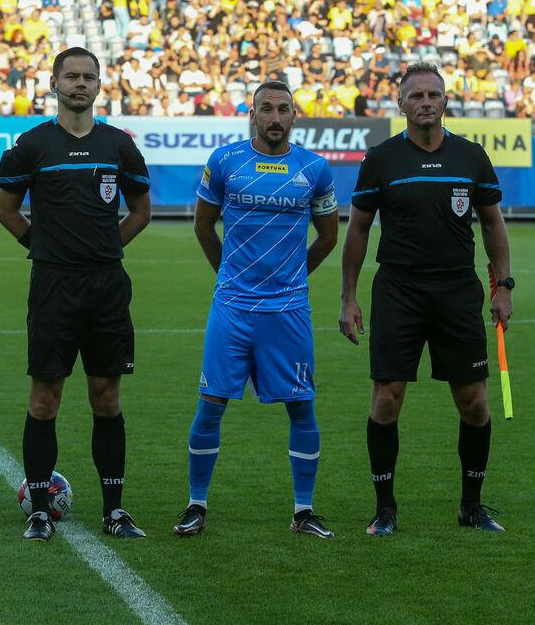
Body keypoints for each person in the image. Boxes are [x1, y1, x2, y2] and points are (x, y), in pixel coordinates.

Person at [339, 62, 513, 536]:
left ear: (445, 101)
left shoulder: (471, 156)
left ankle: (472, 506)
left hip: (458, 291)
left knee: (475, 402)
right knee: (387, 400)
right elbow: (356, 229)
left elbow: (493, 222)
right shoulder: (381, 159)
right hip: (398, 291)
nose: (425, 103)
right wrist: (349, 298)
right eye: (415, 96)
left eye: (433, 94)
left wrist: (504, 286)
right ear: (401, 104)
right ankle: (385, 508)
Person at [0, 47, 152, 542]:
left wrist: (106, 248)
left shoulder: (119, 145)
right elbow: (6, 210)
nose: (80, 84)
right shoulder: (31, 146)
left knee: (107, 397)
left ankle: (115, 511)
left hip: (106, 287)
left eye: (88, 77)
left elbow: (142, 209)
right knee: (45, 398)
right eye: (71, 76)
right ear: (54, 83)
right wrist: (43, 248)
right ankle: (39, 512)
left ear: (99, 85)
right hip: (53, 286)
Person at [173, 81, 340, 539]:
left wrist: (293, 276)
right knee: (210, 405)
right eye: (266, 108)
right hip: (232, 307)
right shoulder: (225, 162)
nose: (274, 117)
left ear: (293, 115)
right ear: (252, 113)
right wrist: (225, 273)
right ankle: (196, 505)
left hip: (287, 310)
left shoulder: (316, 169)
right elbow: (204, 226)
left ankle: (303, 511)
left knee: (302, 408)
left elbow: (329, 236)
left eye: (283, 109)